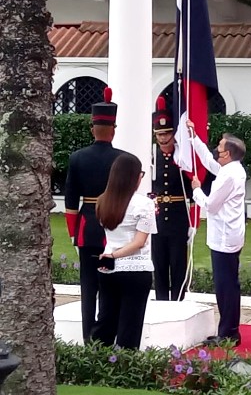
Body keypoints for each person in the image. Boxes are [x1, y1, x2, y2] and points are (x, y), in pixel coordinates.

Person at [64, 87, 126, 343]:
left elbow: (70, 203)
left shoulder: (77, 158)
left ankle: (88, 337)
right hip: (116, 228)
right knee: (112, 286)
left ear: (92, 128)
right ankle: (107, 337)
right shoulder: (123, 159)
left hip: (87, 228)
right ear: (113, 129)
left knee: (88, 289)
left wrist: (72, 232)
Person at [188, 121, 247, 346]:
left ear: (228, 154)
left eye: (220, 149)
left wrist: (196, 190)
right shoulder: (230, 169)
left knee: (226, 286)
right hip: (227, 235)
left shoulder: (229, 175)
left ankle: (229, 332)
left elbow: (211, 205)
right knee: (226, 284)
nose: (217, 151)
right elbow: (208, 161)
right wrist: (194, 138)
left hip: (224, 238)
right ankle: (228, 329)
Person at [92, 153, 157, 349]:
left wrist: (111, 256)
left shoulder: (102, 201)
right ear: (134, 177)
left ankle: (98, 362)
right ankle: (125, 368)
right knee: (130, 325)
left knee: (106, 320)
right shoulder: (144, 204)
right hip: (135, 269)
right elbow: (139, 242)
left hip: (108, 268)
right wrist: (115, 255)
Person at [150, 97, 195, 301]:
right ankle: (161, 302)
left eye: (167, 133)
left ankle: (178, 302)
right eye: (159, 134)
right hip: (157, 217)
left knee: (178, 264)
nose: (163, 138)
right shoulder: (151, 157)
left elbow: (193, 193)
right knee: (158, 264)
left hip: (178, 216)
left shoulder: (183, 157)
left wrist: (193, 222)